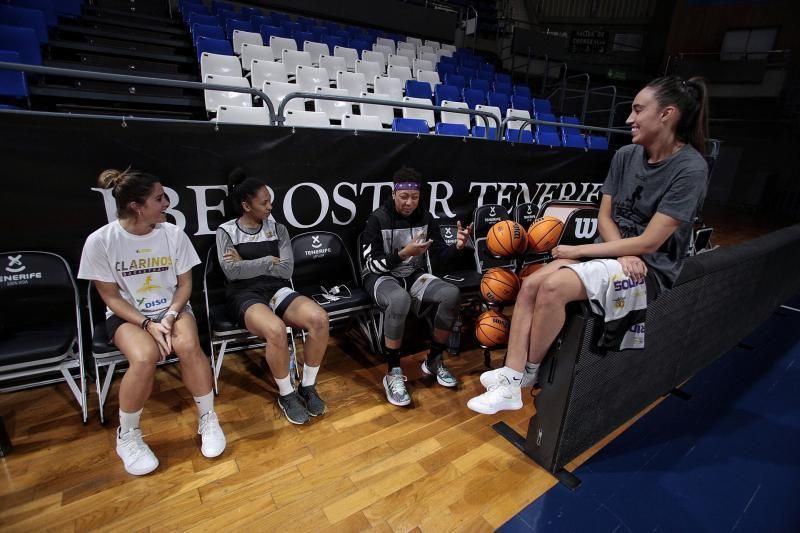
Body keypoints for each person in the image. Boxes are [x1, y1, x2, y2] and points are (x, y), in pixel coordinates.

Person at [468, 76, 710, 414]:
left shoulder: (691, 168)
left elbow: (651, 242)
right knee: (530, 285)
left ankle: (528, 374)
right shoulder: (625, 155)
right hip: (620, 254)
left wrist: (579, 250)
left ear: (667, 114)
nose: (629, 119)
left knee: (552, 287)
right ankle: (512, 378)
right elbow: (605, 219)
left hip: (649, 267)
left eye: (638, 110)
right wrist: (622, 250)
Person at [79, 168, 226, 476]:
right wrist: (147, 324)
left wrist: (170, 316)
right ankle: (128, 435)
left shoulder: (173, 234)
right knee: (144, 356)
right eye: (159, 198)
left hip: (171, 310)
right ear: (136, 205)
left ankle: (208, 418)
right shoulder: (100, 241)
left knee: (187, 344)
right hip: (127, 317)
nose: (167, 203)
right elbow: (111, 298)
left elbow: (185, 285)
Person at [216, 170, 329, 425]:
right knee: (276, 330)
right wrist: (268, 260)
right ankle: (286, 394)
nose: (270, 207)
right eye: (263, 202)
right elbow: (232, 273)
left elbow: (286, 269)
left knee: (320, 319)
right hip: (243, 294)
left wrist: (247, 262)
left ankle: (307, 387)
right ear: (246, 205)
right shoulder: (226, 231)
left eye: (270, 201)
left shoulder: (277, 228)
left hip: (276, 289)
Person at [361, 166, 473, 406]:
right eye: (404, 197)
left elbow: (441, 257)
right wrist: (402, 254)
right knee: (399, 299)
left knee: (451, 294)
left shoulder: (426, 217)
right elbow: (372, 264)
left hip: (412, 273)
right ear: (393, 194)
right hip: (380, 276)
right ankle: (393, 372)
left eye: (414, 197)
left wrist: (458, 247)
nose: (409, 202)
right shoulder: (377, 218)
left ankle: (433, 360)